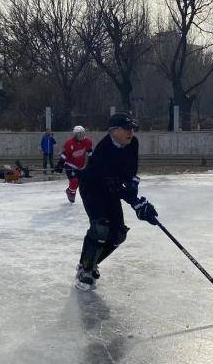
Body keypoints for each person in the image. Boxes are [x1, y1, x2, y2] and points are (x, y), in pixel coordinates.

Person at [74, 112, 158, 290]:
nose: (131, 132)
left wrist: (138, 201)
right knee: (101, 227)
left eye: (132, 129)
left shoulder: (132, 143)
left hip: (111, 189)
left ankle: (92, 262)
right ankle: (85, 269)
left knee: (118, 233)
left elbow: (130, 174)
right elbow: (112, 183)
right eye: (126, 129)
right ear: (113, 131)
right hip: (93, 189)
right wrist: (134, 202)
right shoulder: (104, 150)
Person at [55, 126, 92, 203]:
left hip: (81, 165)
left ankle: (71, 190)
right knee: (74, 180)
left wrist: (92, 162)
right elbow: (64, 154)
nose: (81, 135)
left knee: (81, 182)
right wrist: (60, 164)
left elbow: (90, 152)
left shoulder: (87, 141)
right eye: (79, 134)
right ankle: (70, 192)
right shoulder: (69, 143)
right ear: (75, 134)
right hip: (70, 165)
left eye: (82, 133)